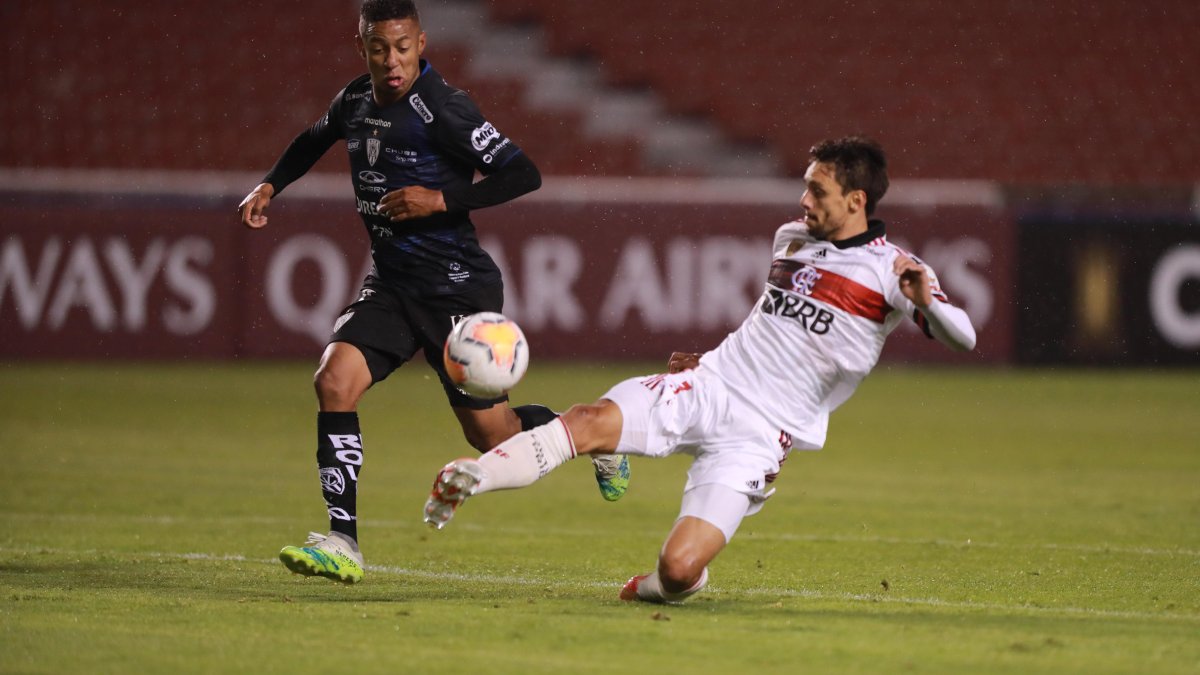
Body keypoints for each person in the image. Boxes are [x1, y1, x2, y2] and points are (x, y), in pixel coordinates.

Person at [422, 136, 977, 603]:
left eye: (817, 190)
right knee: (587, 421)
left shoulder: (894, 272)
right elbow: (773, 320)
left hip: (761, 435)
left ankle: (658, 585)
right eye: (805, 185)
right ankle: (477, 476)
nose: (803, 198)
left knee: (680, 570)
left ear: (856, 199)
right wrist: (712, 357)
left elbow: (964, 337)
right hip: (710, 384)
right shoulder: (793, 240)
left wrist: (926, 302)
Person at [237, 0, 630, 585]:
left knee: (489, 434)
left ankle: (595, 433)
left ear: (420, 43)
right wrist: (271, 184)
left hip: (456, 289)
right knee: (333, 382)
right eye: (379, 49)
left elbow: (523, 173)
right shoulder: (356, 101)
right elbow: (312, 137)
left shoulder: (445, 108)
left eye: (402, 48)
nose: (391, 62)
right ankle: (343, 541)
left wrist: (440, 200)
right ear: (363, 46)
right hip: (392, 284)